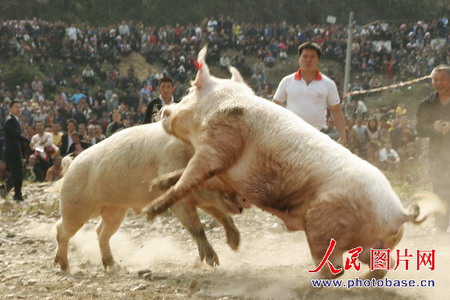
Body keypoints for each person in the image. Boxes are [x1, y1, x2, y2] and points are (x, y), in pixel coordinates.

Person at [273, 42, 346, 144]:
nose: (308, 60)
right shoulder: (287, 81)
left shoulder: (328, 84)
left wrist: (343, 136)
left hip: (318, 137)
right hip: (290, 136)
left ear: (318, 60)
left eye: (312, 57)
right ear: (299, 58)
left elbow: (336, 110)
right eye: (305, 56)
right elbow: (275, 106)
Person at [416, 64, 450, 232]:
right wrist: (433, 127)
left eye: (442, 79)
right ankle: (441, 225)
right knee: (439, 187)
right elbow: (420, 128)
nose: (438, 83)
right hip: (437, 154)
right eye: (435, 80)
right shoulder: (427, 104)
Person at [1, 100, 30, 201]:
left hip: (16, 150)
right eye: (16, 107)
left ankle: (17, 194)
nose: (18, 109)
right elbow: (15, 135)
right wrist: (28, 141)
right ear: (10, 108)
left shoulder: (15, 119)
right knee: (16, 173)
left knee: (18, 173)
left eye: (19, 107)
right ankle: (5, 189)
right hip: (12, 151)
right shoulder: (10, 120)